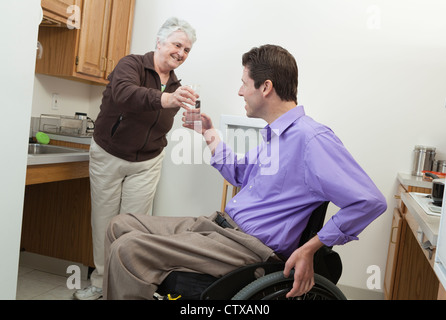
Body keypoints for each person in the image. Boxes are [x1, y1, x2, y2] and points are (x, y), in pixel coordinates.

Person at [102, 44, 387, 300]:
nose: (240, 91)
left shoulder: (312, 139)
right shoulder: (276, 135)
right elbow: (238, 173)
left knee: (128, 250)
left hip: (247, 249)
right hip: (220, 226)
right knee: (120, 225)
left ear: (265, 87)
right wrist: (209, 133)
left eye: (244, 84)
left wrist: (311, 247)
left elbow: (369, 201)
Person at [73, 17, 198, 300]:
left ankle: (127, 287)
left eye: (187, 50)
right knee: (105, 223)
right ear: (159, 41)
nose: (181, 53)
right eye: (177, 44)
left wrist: (195, 122)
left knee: (135, 227)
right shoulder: (130, 65)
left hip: (147, 162)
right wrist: (165, 99)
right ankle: (100, 282)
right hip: (109, 154)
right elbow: (125, 94)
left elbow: (160, 121)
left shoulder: (176, 85)